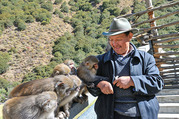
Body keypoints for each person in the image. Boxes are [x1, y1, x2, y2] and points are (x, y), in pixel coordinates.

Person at [88, 17, 164, 119]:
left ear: (130, 36)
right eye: (111, 40)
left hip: (142, 115)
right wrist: (99, 83)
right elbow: (87, 79)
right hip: (110, 115)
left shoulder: (146, 58)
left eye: (118, 39)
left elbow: (157, 83)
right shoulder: (100, 61)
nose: (114, 44)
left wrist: (132, 81)